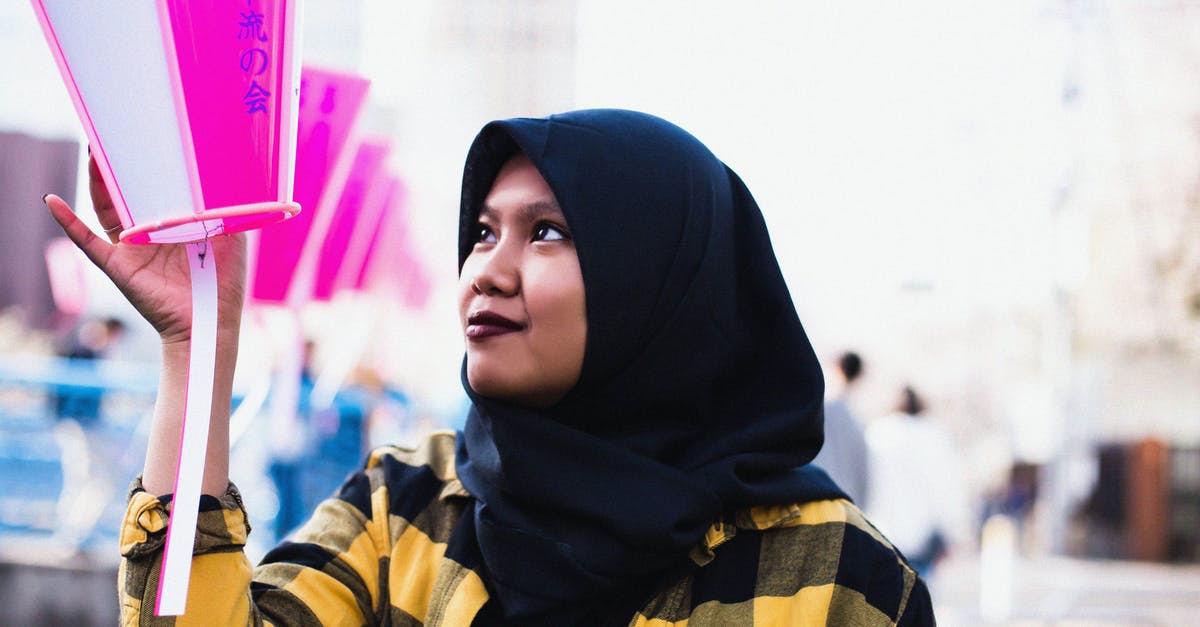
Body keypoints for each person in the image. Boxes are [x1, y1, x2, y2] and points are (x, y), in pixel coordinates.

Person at [47, 109, 933, 625]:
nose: (487, 269)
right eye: (482, 230)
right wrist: (197, 347)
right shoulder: (407, 511)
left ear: (659, 278)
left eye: (546, 231)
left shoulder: (832, 575)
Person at [865, 385, 970, 578]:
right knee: (920, 594)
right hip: (925, 535)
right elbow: (946, 487)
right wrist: (954, 529)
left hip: (885, 529)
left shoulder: (879, 433)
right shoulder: (934, 435)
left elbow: (868, 483)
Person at [810, 351, 870, 507]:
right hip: (849, 505)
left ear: (838, 368)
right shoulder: (858, 418)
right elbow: (863, 474)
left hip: (821, 500)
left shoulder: (822, 408)